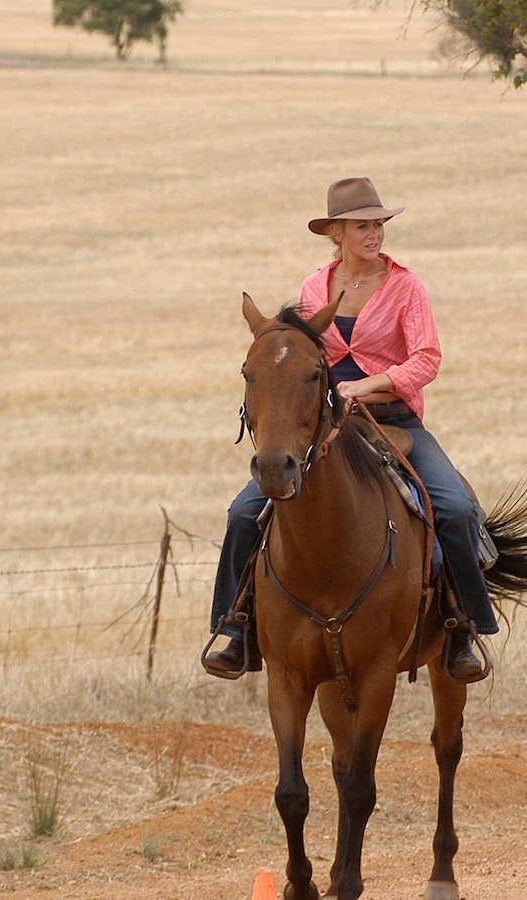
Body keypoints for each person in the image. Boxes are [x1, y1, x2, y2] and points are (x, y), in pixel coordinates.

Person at [203, 176, 493, 682]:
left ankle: (462, 629)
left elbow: (427, 358)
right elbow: (306, 352)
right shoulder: (316, 286)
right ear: (336, 233)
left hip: (395, 421)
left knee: (455, 506)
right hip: (331, 426)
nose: (375, 233)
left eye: (379, 224)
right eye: (363, 225)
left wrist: (370, 384)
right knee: (244, 510)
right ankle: (235, 628)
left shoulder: (407, 286)